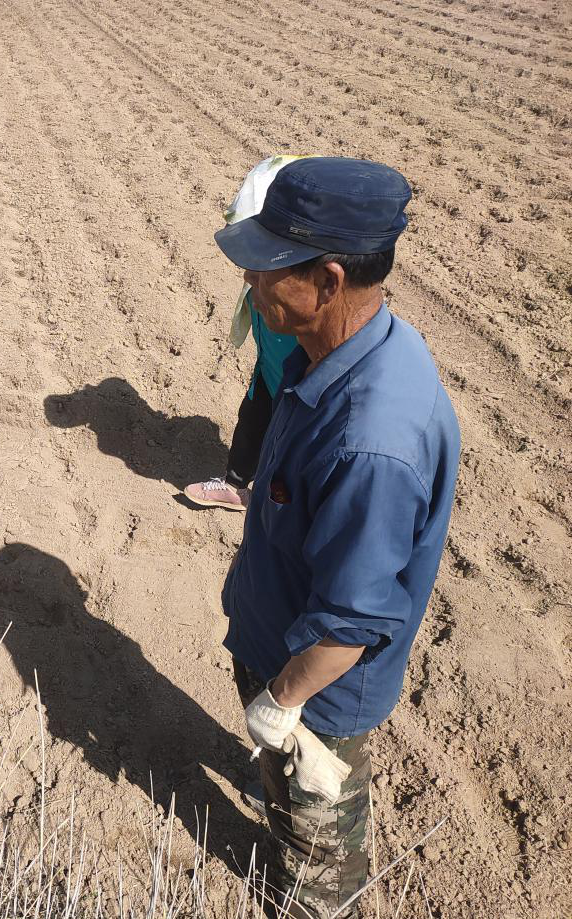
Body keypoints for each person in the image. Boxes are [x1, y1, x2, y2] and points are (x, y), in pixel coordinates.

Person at [213, 158, 460, 917]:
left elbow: (350, 623)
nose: (250, 281)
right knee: (283, 794)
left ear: (326, 281)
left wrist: (282, 700)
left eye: (266, 266)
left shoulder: (370, 443)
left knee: (319, 857)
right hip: (278, 643)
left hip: (314, 695)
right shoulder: (335, 349)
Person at [185, 155, 304, 512]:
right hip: (270, 364)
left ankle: (282, 502)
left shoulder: (303, 290)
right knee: (253, 416)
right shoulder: (271, 275)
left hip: (296, 379)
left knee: (293, 435)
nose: (248, 274)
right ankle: (235, 485)